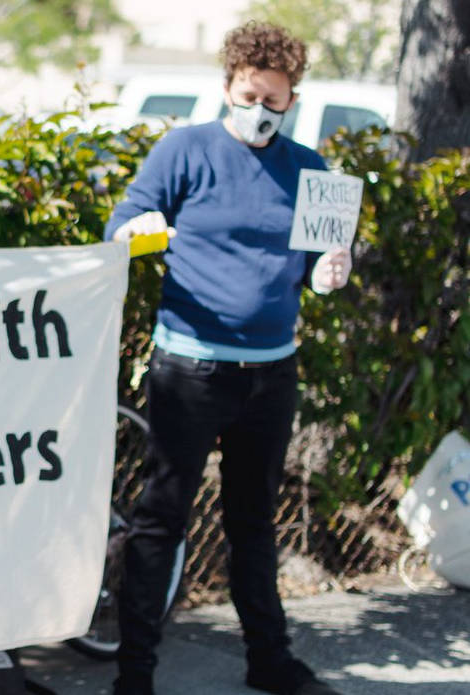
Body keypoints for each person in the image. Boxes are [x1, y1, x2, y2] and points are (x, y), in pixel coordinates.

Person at [105, 21, 351, 695]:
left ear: (291, 99)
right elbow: (123, 221)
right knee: (161, 519)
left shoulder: (308, 169)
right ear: (226, 86)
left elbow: (315, 266)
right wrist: (130, 232)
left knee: (252, 523)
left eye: (275, 103)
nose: (260, 113)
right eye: (249, 96)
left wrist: (330, 271)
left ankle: (268, 661)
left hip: (271, 373)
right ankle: (133, 675)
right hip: (190, 368)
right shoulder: (183, 149)